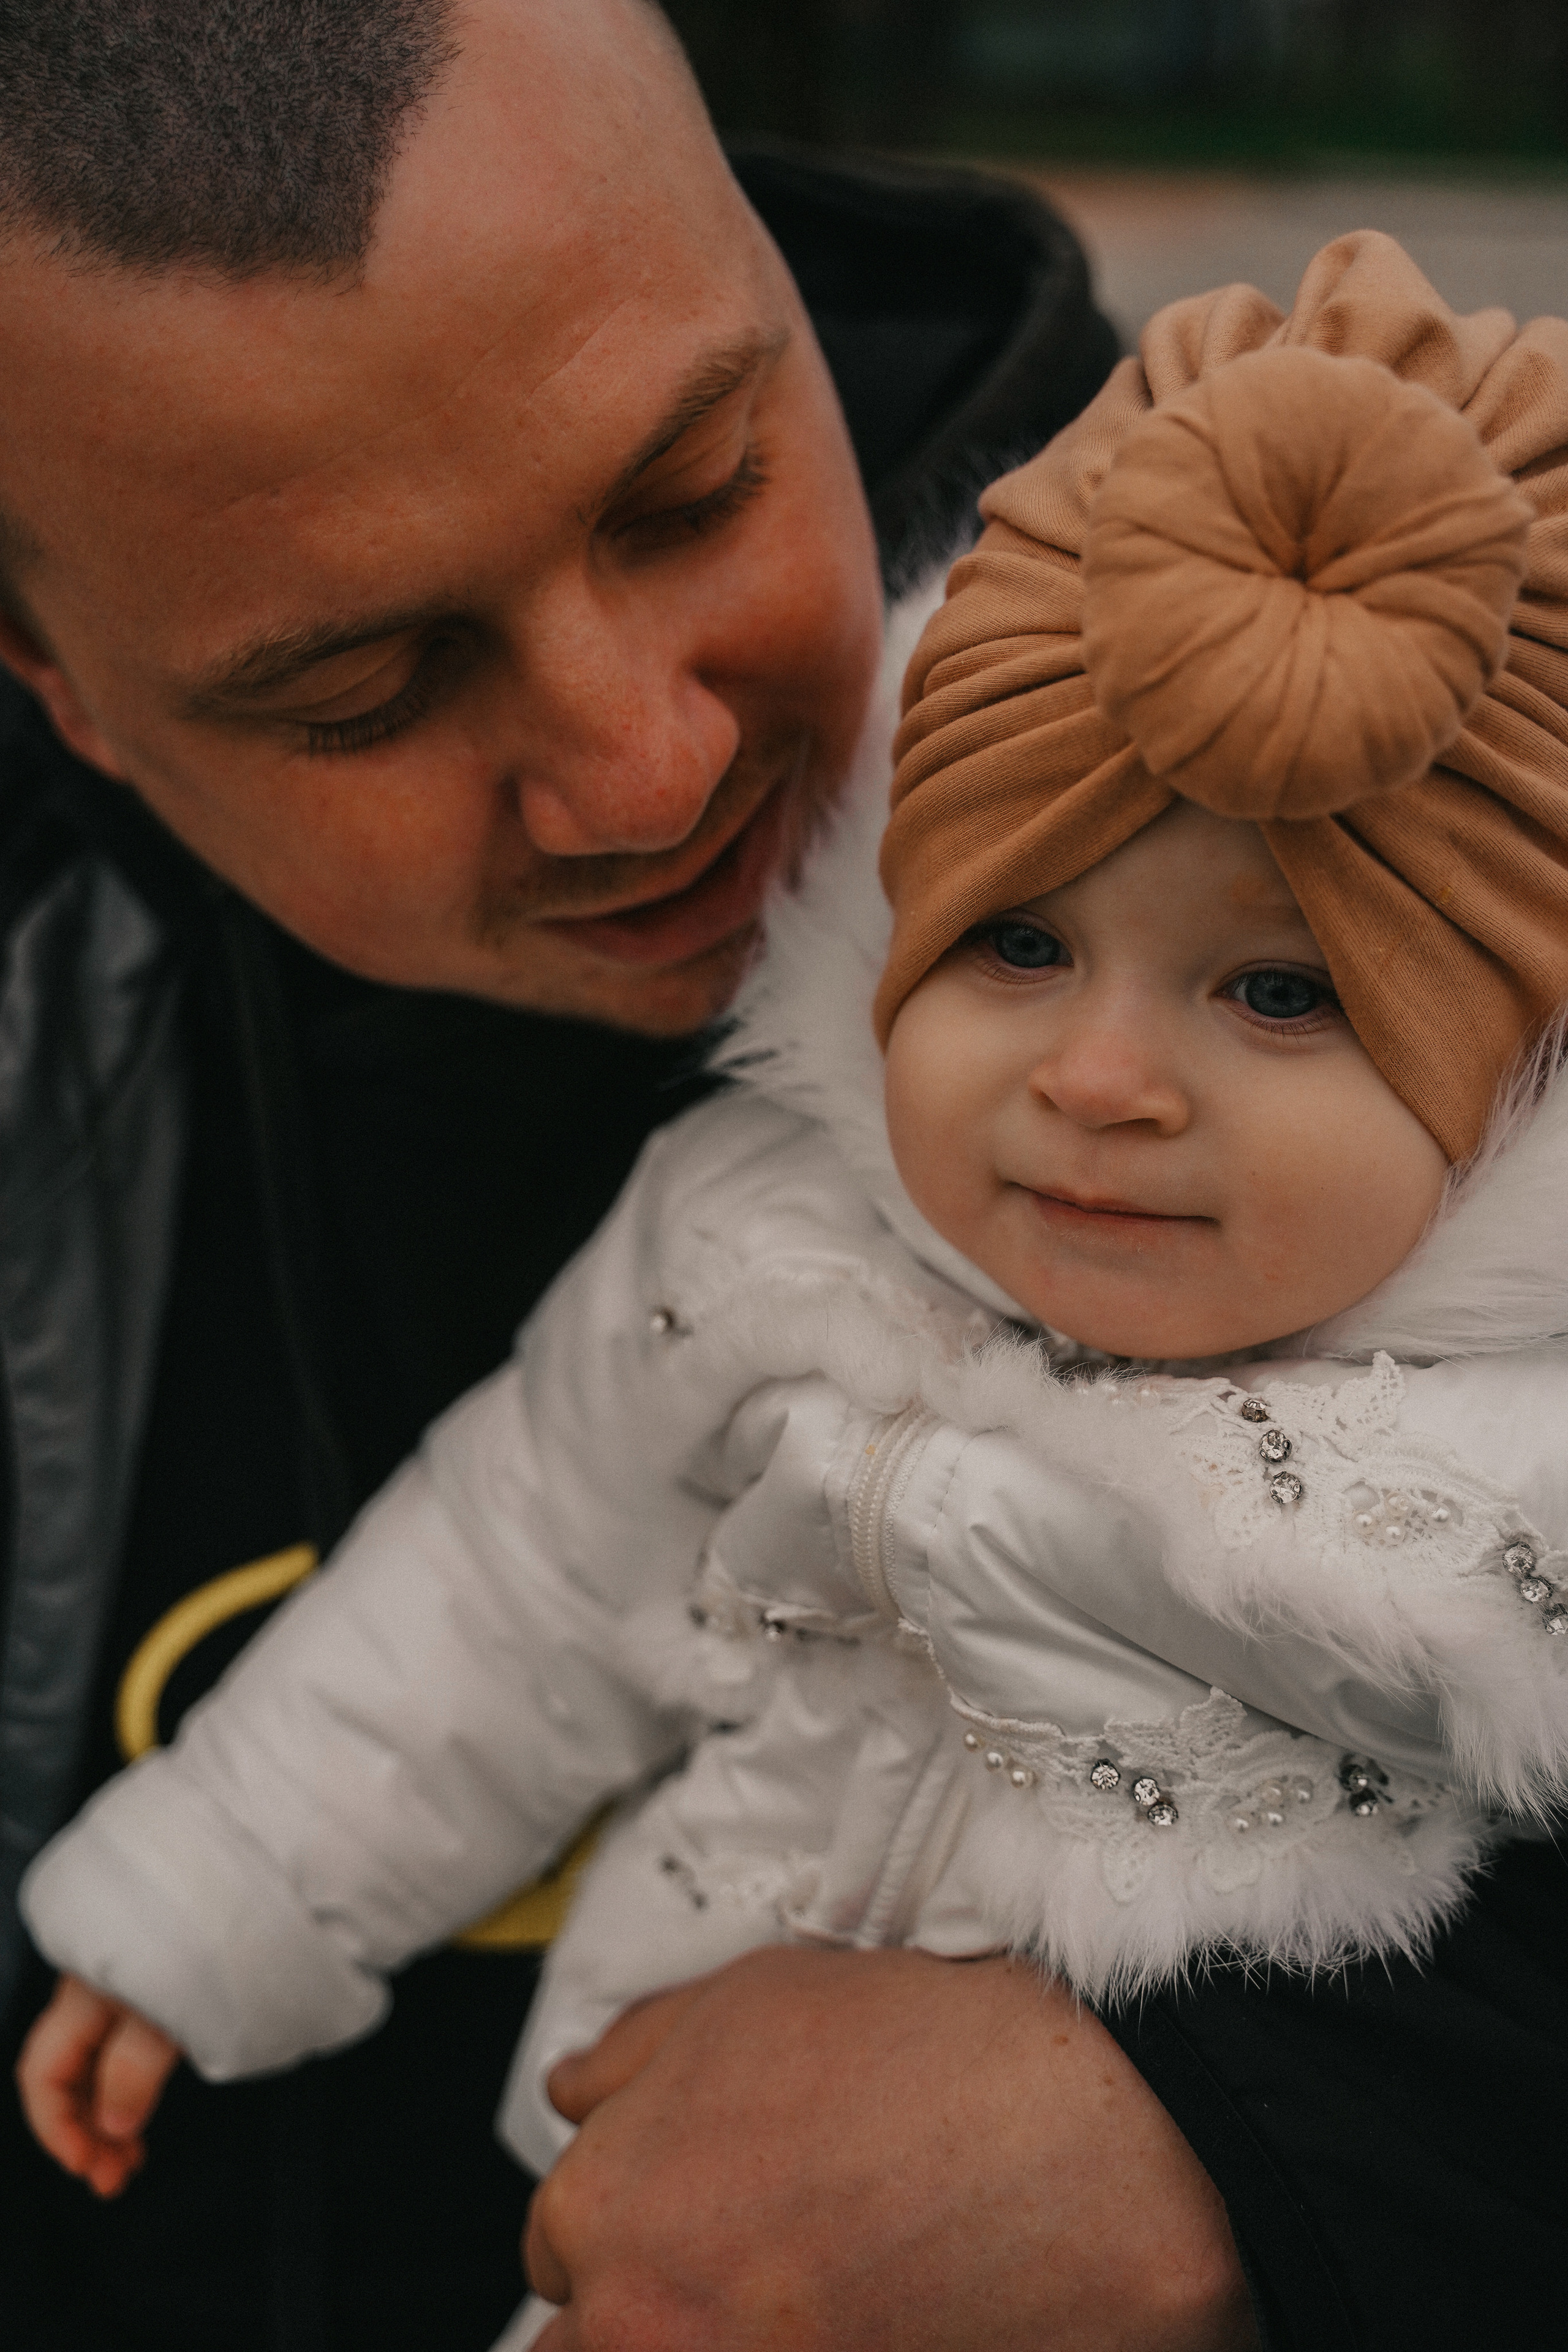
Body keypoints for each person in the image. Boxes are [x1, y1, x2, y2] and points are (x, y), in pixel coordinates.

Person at [0, 5, 1559, 2350]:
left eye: (696, 484)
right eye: (364, 689)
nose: (651, 773)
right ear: (56, 677)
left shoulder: (1380, 761)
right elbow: (497, 1574)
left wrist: (1277, 2134)